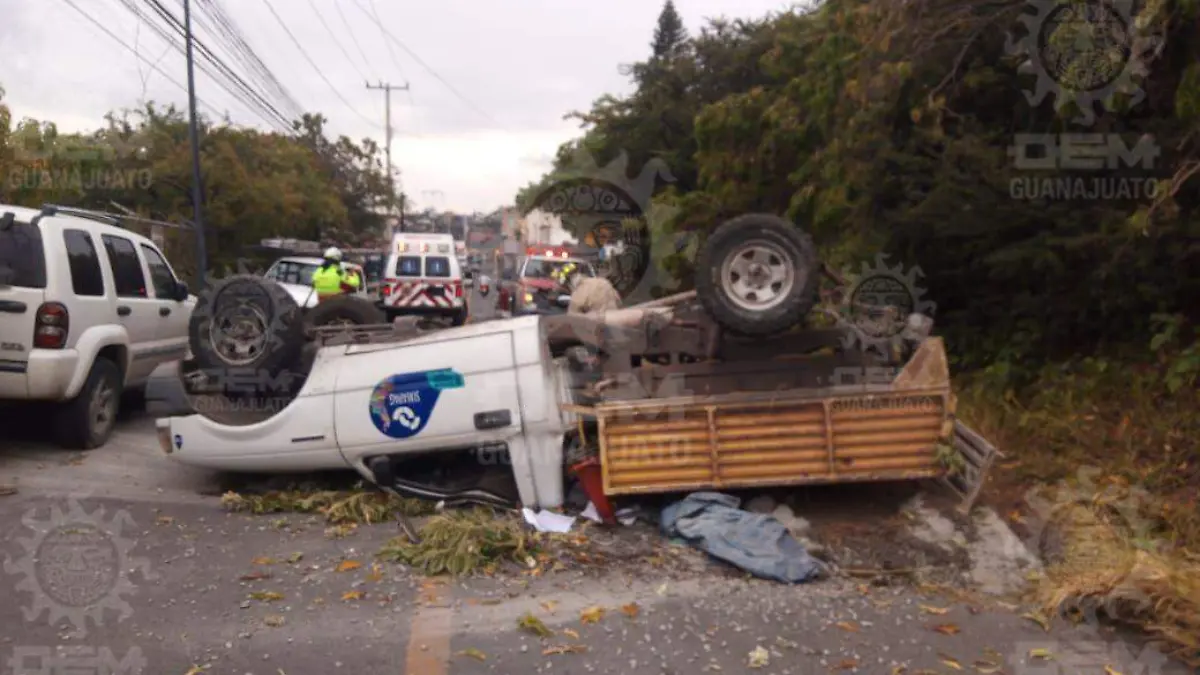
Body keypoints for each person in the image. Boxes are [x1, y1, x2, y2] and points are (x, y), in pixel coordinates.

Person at [552, 262, 621, 315]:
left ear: (569, 283)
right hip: (616, 323)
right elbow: (618, 301)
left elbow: (573, 320)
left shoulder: (577, 295)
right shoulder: (604, 282)